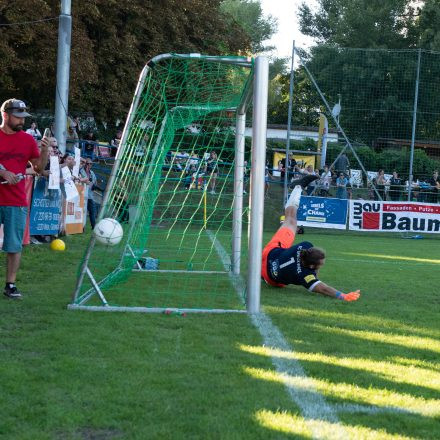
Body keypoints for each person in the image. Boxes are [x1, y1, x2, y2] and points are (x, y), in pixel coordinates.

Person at [261, 174, 360, 301]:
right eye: (321, 264)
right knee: (290, 222)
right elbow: (323, 289)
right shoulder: (305, 275)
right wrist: (343, 296)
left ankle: (298, 187)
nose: (322, 265)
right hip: (268, 277)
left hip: (270, 252)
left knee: (290, 220)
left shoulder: (305, 246)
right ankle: (297, 188)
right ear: (312, 266)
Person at [0, 99, 50, 299]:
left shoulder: (28, 140)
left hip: (16, 200)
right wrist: (3, 173)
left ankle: (10, 284)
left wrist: (44, 150)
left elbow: (38, 168)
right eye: (18, 117)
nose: (22, 121)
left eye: (23, 117)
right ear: (5, 115)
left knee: (14, 245)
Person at [79, 158, 98, 229]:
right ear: (85, 164)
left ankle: (94, 226)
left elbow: (95, 181)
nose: (89, 165)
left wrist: (94, 186)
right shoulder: (80, 171)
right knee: (81, 212)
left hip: (90, 195)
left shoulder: (92, 173)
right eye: (87, 163)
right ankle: (81, 227)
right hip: (81, 194)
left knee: (92, 211)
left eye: (90, 164)